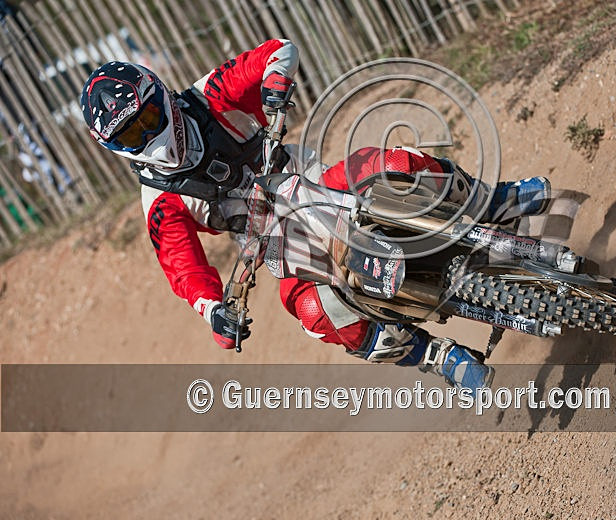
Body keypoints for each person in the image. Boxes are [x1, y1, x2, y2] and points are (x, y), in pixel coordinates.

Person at [80, 39, 551, 393]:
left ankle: (491, 202)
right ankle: (439, 358)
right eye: (133, 133)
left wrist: (273, 94)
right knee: (314, 313)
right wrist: (214, 312)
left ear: (157, 94)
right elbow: (184, 269)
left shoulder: (209, 96)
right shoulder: (159, 201)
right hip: (275, 243)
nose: (149, 133)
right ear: (117, 147)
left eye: (147, 117)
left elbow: (276, 51)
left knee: (392, 164)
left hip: (313, 182)